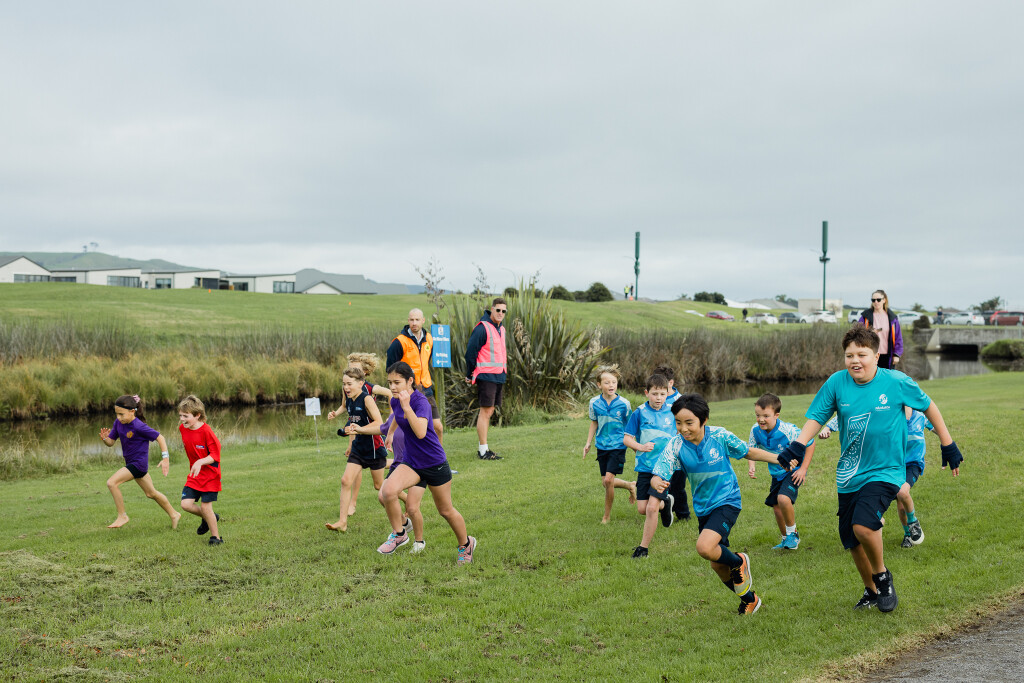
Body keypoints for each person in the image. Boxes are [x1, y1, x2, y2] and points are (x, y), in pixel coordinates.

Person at [777, 326, 964, 612]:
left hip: (886, 470)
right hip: (849, 474)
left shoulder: (896, 382)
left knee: (863, 525)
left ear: (876, 356)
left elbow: (929, 406)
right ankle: (872, 591)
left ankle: (883, 577)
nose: (855, 361)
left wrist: (948, 443)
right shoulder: (837, 383)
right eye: (849, 355)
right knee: (851, 540)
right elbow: (817, 417)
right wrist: (798, 445)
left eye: (861, 355)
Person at [651, 393, 796, 615]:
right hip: (703, 507)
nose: (683, 428)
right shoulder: (676, 445)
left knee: (704, 547)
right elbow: (659, 472)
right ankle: (750, 600)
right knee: (717, 564)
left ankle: (739, 561)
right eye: (678, 423)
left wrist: (779, 458)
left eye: (689, 422)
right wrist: (656, 481)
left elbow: (747, 451)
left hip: (727, 500)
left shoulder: (719, 436)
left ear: (704, 420)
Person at [378, 362, 476, 563]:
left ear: (410, 381)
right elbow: (396, 416)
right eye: (390, 383)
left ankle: (466, 544)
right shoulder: (396, 400)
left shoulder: (421, 402)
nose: (393, 387)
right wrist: (390, 433)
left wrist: (407, 407)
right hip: (412, 462)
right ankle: (400, 534)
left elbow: (421, 432)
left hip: (434, 462)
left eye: (397, 382)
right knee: (387, 491)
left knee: (445, 510)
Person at [819, 407, 930, 549]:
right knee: (895, 501)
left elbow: (935, 423)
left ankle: (912, 523)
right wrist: (828, 427)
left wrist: (947, 445)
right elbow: (853, 411)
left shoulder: (920, 416)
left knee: (902, 493)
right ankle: (905, 533)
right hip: (889, 463)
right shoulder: (889, 412)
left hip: (912, 464)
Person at [98, 394, 181, 530]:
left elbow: (160, 437)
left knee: (112, 483)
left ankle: (122, 516)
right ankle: (174, 514)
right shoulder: (119, 423)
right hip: (131, 463)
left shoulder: (139, 426)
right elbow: (111, 442)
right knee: (151, 493)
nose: (119, 417)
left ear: (132, 411)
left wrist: (165, 458)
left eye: (121, 414)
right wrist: (105, 439)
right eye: (117, 414)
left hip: (138, 465)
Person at [745, 393, 815, 550]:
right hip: (776, 473)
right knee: (776, 507)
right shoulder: (755, 430)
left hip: (794, 471)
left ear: (776, 415)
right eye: (757, 415)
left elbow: (810, 442)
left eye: (766, 416)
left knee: (783, 499)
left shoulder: (788, 430)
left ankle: (793, 535)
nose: (761, 419)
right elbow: (751, 449)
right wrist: (752, 466)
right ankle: (786, 540)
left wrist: (803, 469)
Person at [324, 367, 384, 532]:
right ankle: (342, 522)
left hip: (374, 448)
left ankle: (406, 499)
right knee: (345, 481)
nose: (346, 387)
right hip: (358, 447)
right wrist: (338, 416)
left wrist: (359, 429)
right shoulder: (349, 399)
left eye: (349, 384)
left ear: (361, 383)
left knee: (379, 486)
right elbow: (349, 415)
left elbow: (380, 423)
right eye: (344, 384)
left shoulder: (367, 399)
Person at [623, 374, 676, 558]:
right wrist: (641, 447)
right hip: (645, 466)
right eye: (654, 394)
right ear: (646, 393)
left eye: (662, 394)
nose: (658, 398)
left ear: (667, 393)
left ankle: (643, 548)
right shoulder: (639, 413)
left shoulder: (673, 412)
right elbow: (627, 439)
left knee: (651, 508)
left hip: (664, 466)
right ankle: (666, 502)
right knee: (642, 509)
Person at [582, 366, 636, 523]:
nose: (611, 385)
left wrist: (634, 446)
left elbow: (630, 426)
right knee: (605, 482)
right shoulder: (594, 403)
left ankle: (606, 516)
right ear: (599, 385)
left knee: (608, 481)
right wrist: (588, 443)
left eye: (614, 382)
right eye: (607, 382)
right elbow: (594, 422)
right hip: (602, 446)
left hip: (618, 446)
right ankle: (630, 485)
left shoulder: (624, 404)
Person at [343, 352, 392, 517]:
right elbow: (353, 419)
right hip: (359, 435)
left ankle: (403, 465)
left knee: (378, 482)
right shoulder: (349, 392)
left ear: (363, 373)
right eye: (349, 369)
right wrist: (350, 443)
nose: (351, 372)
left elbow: (390, 393)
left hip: (373, 435)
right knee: (355, 467)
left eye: (355, 370)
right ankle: (352, 504)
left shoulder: (370, 389)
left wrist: (392, 417)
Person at [386, 310, 443, 442]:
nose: (414, 323)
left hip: (426, 387)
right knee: (411, 428)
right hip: (408, 390)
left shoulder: (429, 338)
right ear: (408, 321)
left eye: (417, 320)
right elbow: (390, 369)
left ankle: (439, 454)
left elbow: (426, 361)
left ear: (423, 320)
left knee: (438, 427)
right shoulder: (399, 342)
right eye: (411, 320)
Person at [177, 395, 224, 545]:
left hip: (210, 475)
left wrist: (200, 461)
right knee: (185, 504)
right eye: (180, 415)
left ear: (197, 415)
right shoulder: (182, 429)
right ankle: (208, 517)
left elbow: (215, 455)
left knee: (206, 507)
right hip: (195, 474)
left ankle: (216, 538)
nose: (182, 419)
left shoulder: (206, 431)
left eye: (186, 416)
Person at [464, 297, 507, 460]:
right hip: (486, 375)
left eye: (504, 311)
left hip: (498, 375)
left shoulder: (502, 329)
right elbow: (470, 352)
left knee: (490, 411)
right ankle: (483, 451)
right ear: (492, 309)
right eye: (498, 310)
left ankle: (484, 448)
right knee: (485, 411)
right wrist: (470, 374)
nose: (501, 313)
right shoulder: (482, 328)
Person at [654, 364, 691, 521]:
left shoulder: (681, 401)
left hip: (678, 449)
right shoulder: (656, 400)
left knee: (677, 484)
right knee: (661, 481)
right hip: (659, 450)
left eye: (663, 384)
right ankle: (664, 508)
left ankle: (683, 515)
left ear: (671, 382)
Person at [857, 290, 903, 370]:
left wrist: (896, 354)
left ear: (884, 300)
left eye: (878, 300)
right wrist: (869, 333)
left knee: (887, 377)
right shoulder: (865, 317)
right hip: (871, 354)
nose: (876, 302)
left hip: (888, 357)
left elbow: (898, 337)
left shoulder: (892, 318)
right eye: (873, 300)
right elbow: (857, 334)